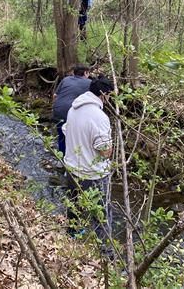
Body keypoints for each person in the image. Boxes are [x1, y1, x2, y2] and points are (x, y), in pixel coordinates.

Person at [63, 75, 114, 251]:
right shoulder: (99, 116)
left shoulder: (73, 109)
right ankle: (106, 256)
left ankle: (71, 240)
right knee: (101, 216)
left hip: (72, 169)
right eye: (110, 96)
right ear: (104, 95)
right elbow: (105, 151)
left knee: (74, 207)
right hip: (93, 174)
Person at [52, 64, 91, 156]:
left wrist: (54, 108)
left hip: (58, 110)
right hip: (72, 113)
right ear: (85, 72)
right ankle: (73, 160)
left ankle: (61, 157)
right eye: (88, 72)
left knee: (61, 136)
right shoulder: (89, 83)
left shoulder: (66, 79)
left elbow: (55, 96)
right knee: (75, 137)